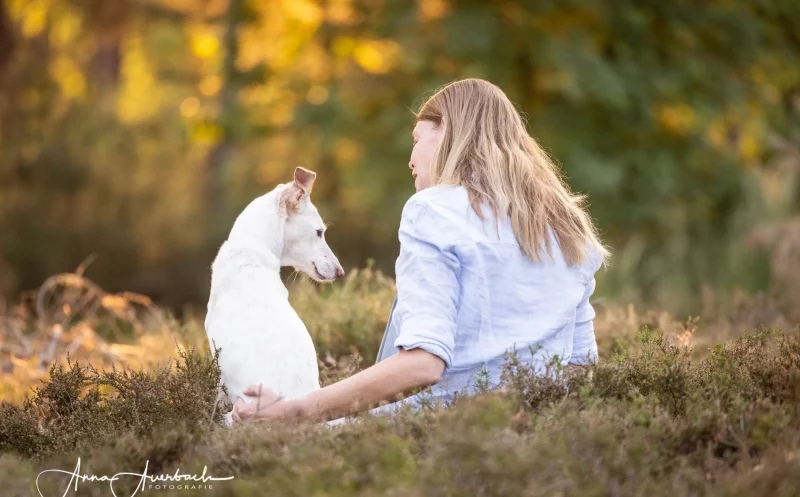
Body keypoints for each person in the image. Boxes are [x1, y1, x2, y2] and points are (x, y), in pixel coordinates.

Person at [232, 78, 608, 423]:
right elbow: (581, 369)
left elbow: (423, 365)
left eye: (417, 138)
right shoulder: (568, 227)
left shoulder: (433, 210)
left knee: (243, 426)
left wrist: (298, 411)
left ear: (446, 131)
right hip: (538, 440)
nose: (410, 159)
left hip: (428, 438)